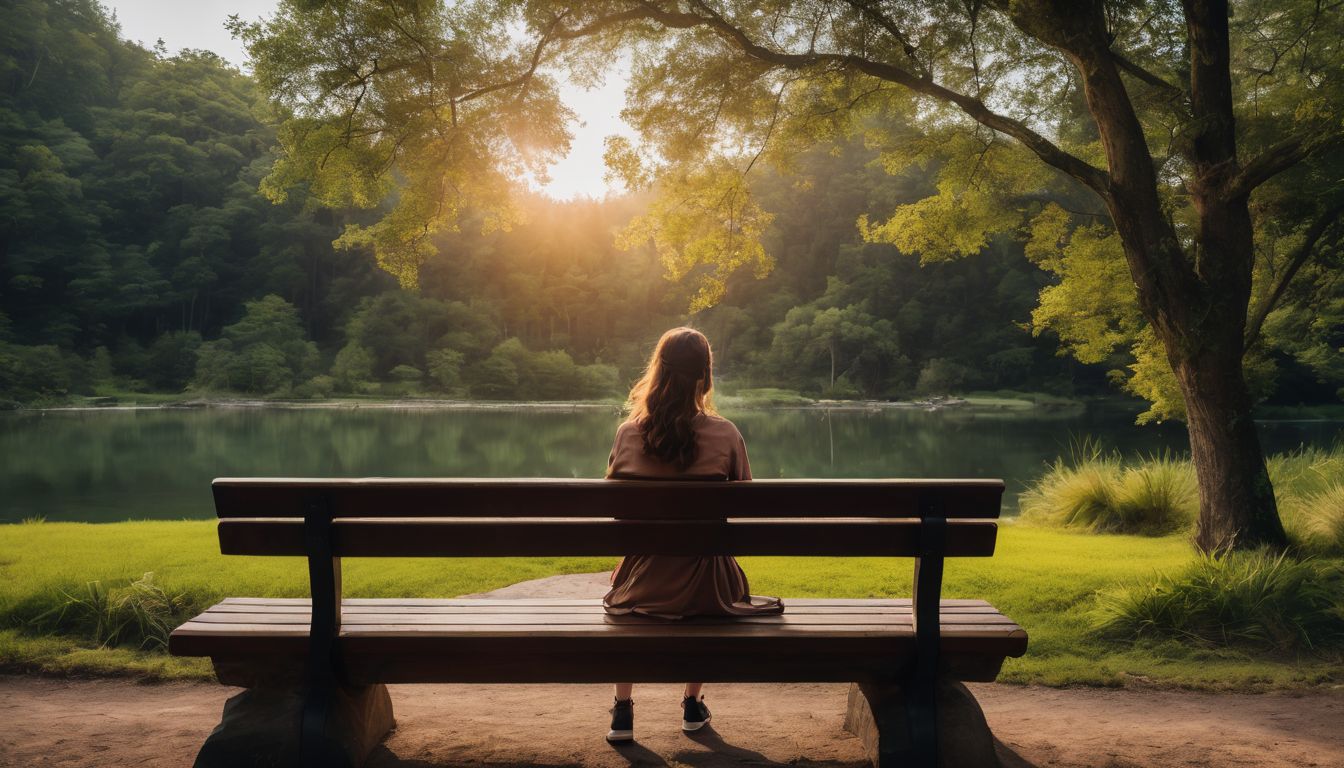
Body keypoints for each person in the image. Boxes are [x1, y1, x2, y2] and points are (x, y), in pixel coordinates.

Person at [601, 327, 783, 743]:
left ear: (658, 372)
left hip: (643, 589)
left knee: (630, 580)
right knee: (708, 573)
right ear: (705, 375)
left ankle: (623, 711)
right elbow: (744, 507)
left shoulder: (629, 433)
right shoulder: (725, 433)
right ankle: (691, 704)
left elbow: (617, 512)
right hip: (710, 589)